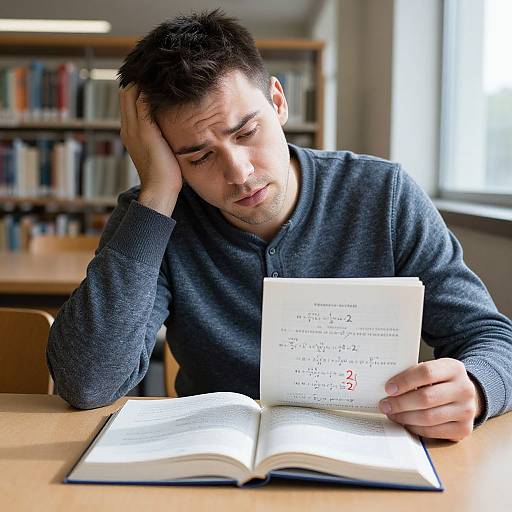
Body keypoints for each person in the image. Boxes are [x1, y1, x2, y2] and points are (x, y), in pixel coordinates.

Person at [47, 9, 512, 442]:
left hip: (371, 452)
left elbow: (494, 341)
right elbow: (88, 382)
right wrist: (157, 196)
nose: (239, 173)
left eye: (247, 133)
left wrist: (476, 385)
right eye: (198, 155)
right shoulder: (154, 216)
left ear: (278, 100)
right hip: (211, 461)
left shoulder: (382, 195)